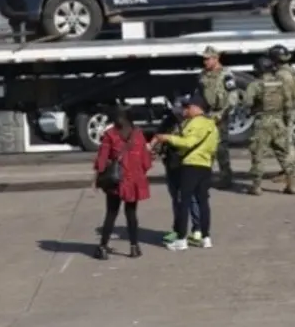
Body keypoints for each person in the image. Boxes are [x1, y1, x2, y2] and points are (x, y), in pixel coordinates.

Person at [153, 94, 219, 251]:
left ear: (197, 108)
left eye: (188, 107)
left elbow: (188, 142)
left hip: (190, 166)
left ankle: (181, 239)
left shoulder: (195, 123)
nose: (186, 109)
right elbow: (213, 147)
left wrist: (167, 138)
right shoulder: (212, 125)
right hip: (205, 166)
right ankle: (205, 237)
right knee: (203, 202)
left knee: (184, 201)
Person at [92, 107, 152, 260]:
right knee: (131, 214)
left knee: (111, 214)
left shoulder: (110, 135)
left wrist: (98, 177)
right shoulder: (138, 134)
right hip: (133, 181)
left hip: (115, 181)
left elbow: (102, 160)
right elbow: (146, 161)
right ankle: (134, 247)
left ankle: (103, 247)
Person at [241, 56, 295, 196]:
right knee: (283, 153)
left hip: (263, 122)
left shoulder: (255, 85)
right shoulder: (281, 84)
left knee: (258, 154)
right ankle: (292, 184)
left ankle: (256, 186)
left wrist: (252, 107)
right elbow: (288, 103)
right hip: (279, 122)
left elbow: (247, 103)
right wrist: (286, 120)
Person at [198, 46, 237, 189]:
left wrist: (224, 113)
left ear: (216, 58)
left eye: (207, 59)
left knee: (221, 148)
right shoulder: (203, 74)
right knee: (205, 146)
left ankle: (226, 177)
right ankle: (204, 176)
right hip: (207, 114)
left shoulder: (226, 74)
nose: (205, 62)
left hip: (220, 113)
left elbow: (232, 96)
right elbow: (200, 93)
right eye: (204, 59)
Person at [268, 44, 295, 185]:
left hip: (285, 111)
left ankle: (290, 173)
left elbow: (286, 96)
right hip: (291, 108)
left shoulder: (282, 75)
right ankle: (288, 171)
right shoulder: (292, 71)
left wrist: (286, 114)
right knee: (287, 142)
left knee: (285, 144)